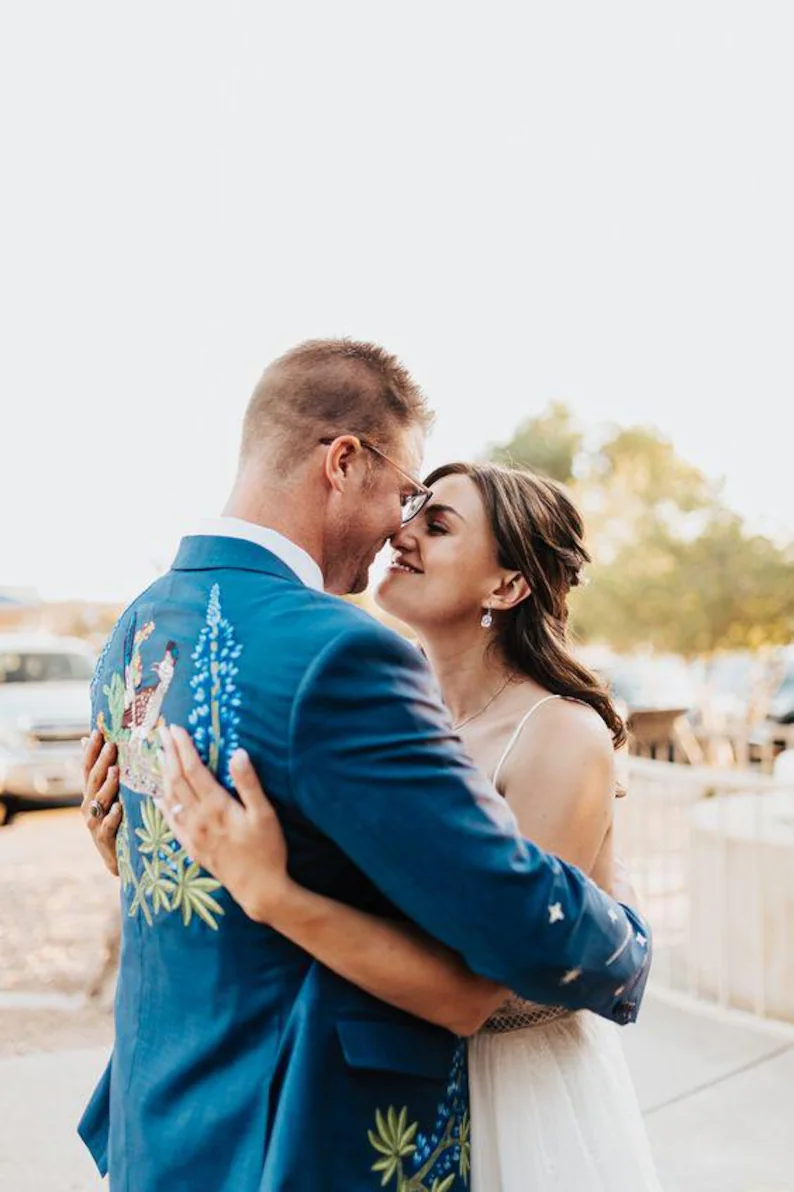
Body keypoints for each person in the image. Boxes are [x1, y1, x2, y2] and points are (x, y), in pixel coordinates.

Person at [80, 338, 651, 1192]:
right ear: (343, 461)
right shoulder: (340, 656)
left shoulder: (141, 625)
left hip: (171, 1126)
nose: (399, 529)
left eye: (433, 518)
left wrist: (143, 853)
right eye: (405, 493)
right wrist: (626, 940)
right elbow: (496, 941)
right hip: (288, 1131)